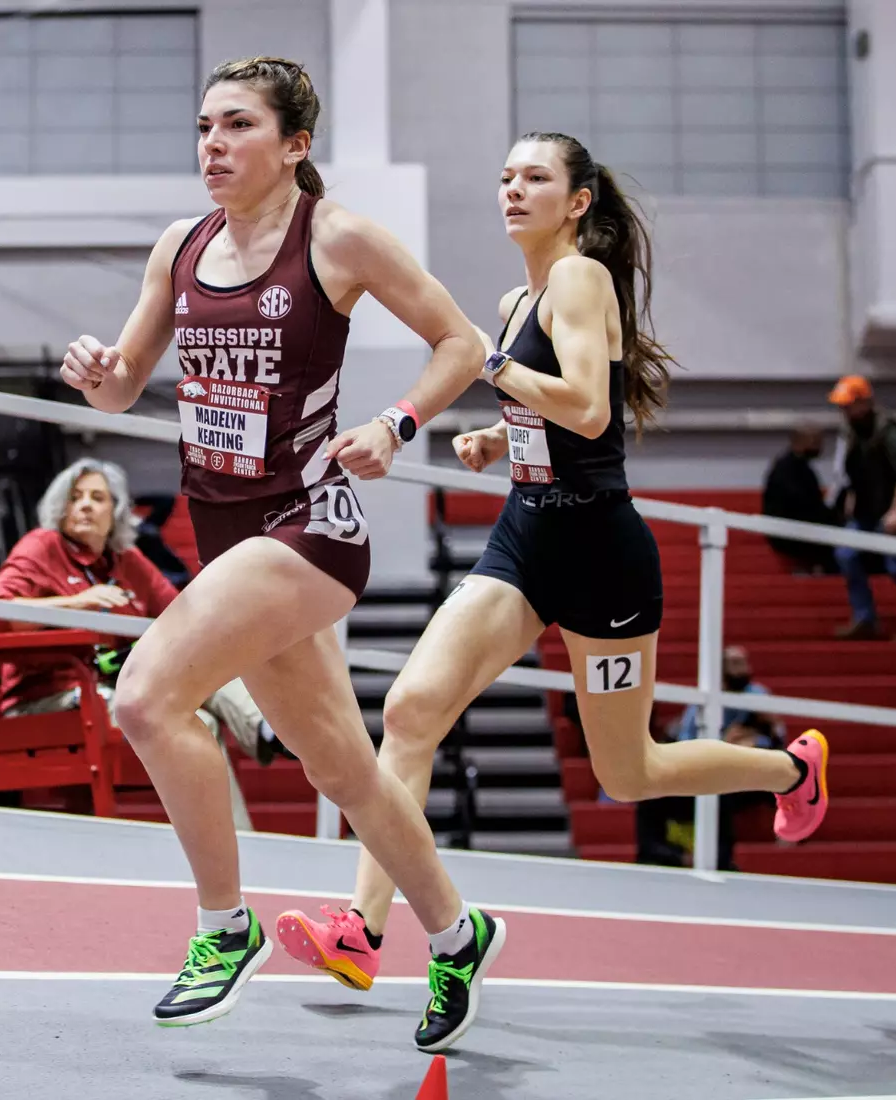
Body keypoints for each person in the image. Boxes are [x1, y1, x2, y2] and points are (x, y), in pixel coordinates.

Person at [273, 132, 832, 1049]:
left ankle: (790, 768)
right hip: (527, 538)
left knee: (630, 772)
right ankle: (362, 930)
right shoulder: (516, 298)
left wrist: (489, 369)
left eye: (534, 177)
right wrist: (498, 439)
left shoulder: (580, 278)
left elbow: (590, 409)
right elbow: (554, 413)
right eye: (504, 176)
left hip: (601, 559)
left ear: (576, 201)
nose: (512, 189)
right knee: (411, 711)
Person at [57, 56, 493, 1042]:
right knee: (338, 763)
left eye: (237, 125)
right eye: (204, 125)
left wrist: (395, 421)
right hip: (217, 526)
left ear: (294, 143)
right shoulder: (181, 245)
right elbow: (125, 384)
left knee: (144, 696)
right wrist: (98, 371)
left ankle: (222, 925)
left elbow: (460, 341)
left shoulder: (334, 238)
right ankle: (457, 930)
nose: (211, 144)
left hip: (306, 528)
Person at [0, 457, 280, 828]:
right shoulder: (41, 546)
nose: (86, 505)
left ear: (117, 511)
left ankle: (259, 764)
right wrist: (72, 603)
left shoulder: (127, 560)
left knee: (201, 697)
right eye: (76, 497)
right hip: (50, 698)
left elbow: (181, 615)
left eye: (97, 497)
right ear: (61, 507)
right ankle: (270, 733)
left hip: (116, 692)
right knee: (193, 713)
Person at [636, 646, 788, 869]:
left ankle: (787, 825)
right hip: (704, 769)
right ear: (721, 669)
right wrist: (725, 744)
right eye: (736, 664)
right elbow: (686, 744)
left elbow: (772, 739)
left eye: (745, 663)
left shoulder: (757, 695)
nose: (744, 669)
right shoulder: (704, 699)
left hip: (741, 771)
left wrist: (765, 732)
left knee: (780, 765)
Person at [826, 375, 896, 642]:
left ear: (865, 402)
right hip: (866, 509)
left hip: (894, 508)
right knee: (846, 554)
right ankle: (865, 618)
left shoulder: (890, 431)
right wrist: (850, 496)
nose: (845, 410)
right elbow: (851, 470)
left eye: (849, 404)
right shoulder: (850, 433)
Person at [762, 427, 838, 574]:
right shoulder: (786, 470)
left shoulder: (802, 468)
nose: (819, 447)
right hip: (790, 531)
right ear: (799, 442)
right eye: (815, 442)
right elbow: (802, 505)